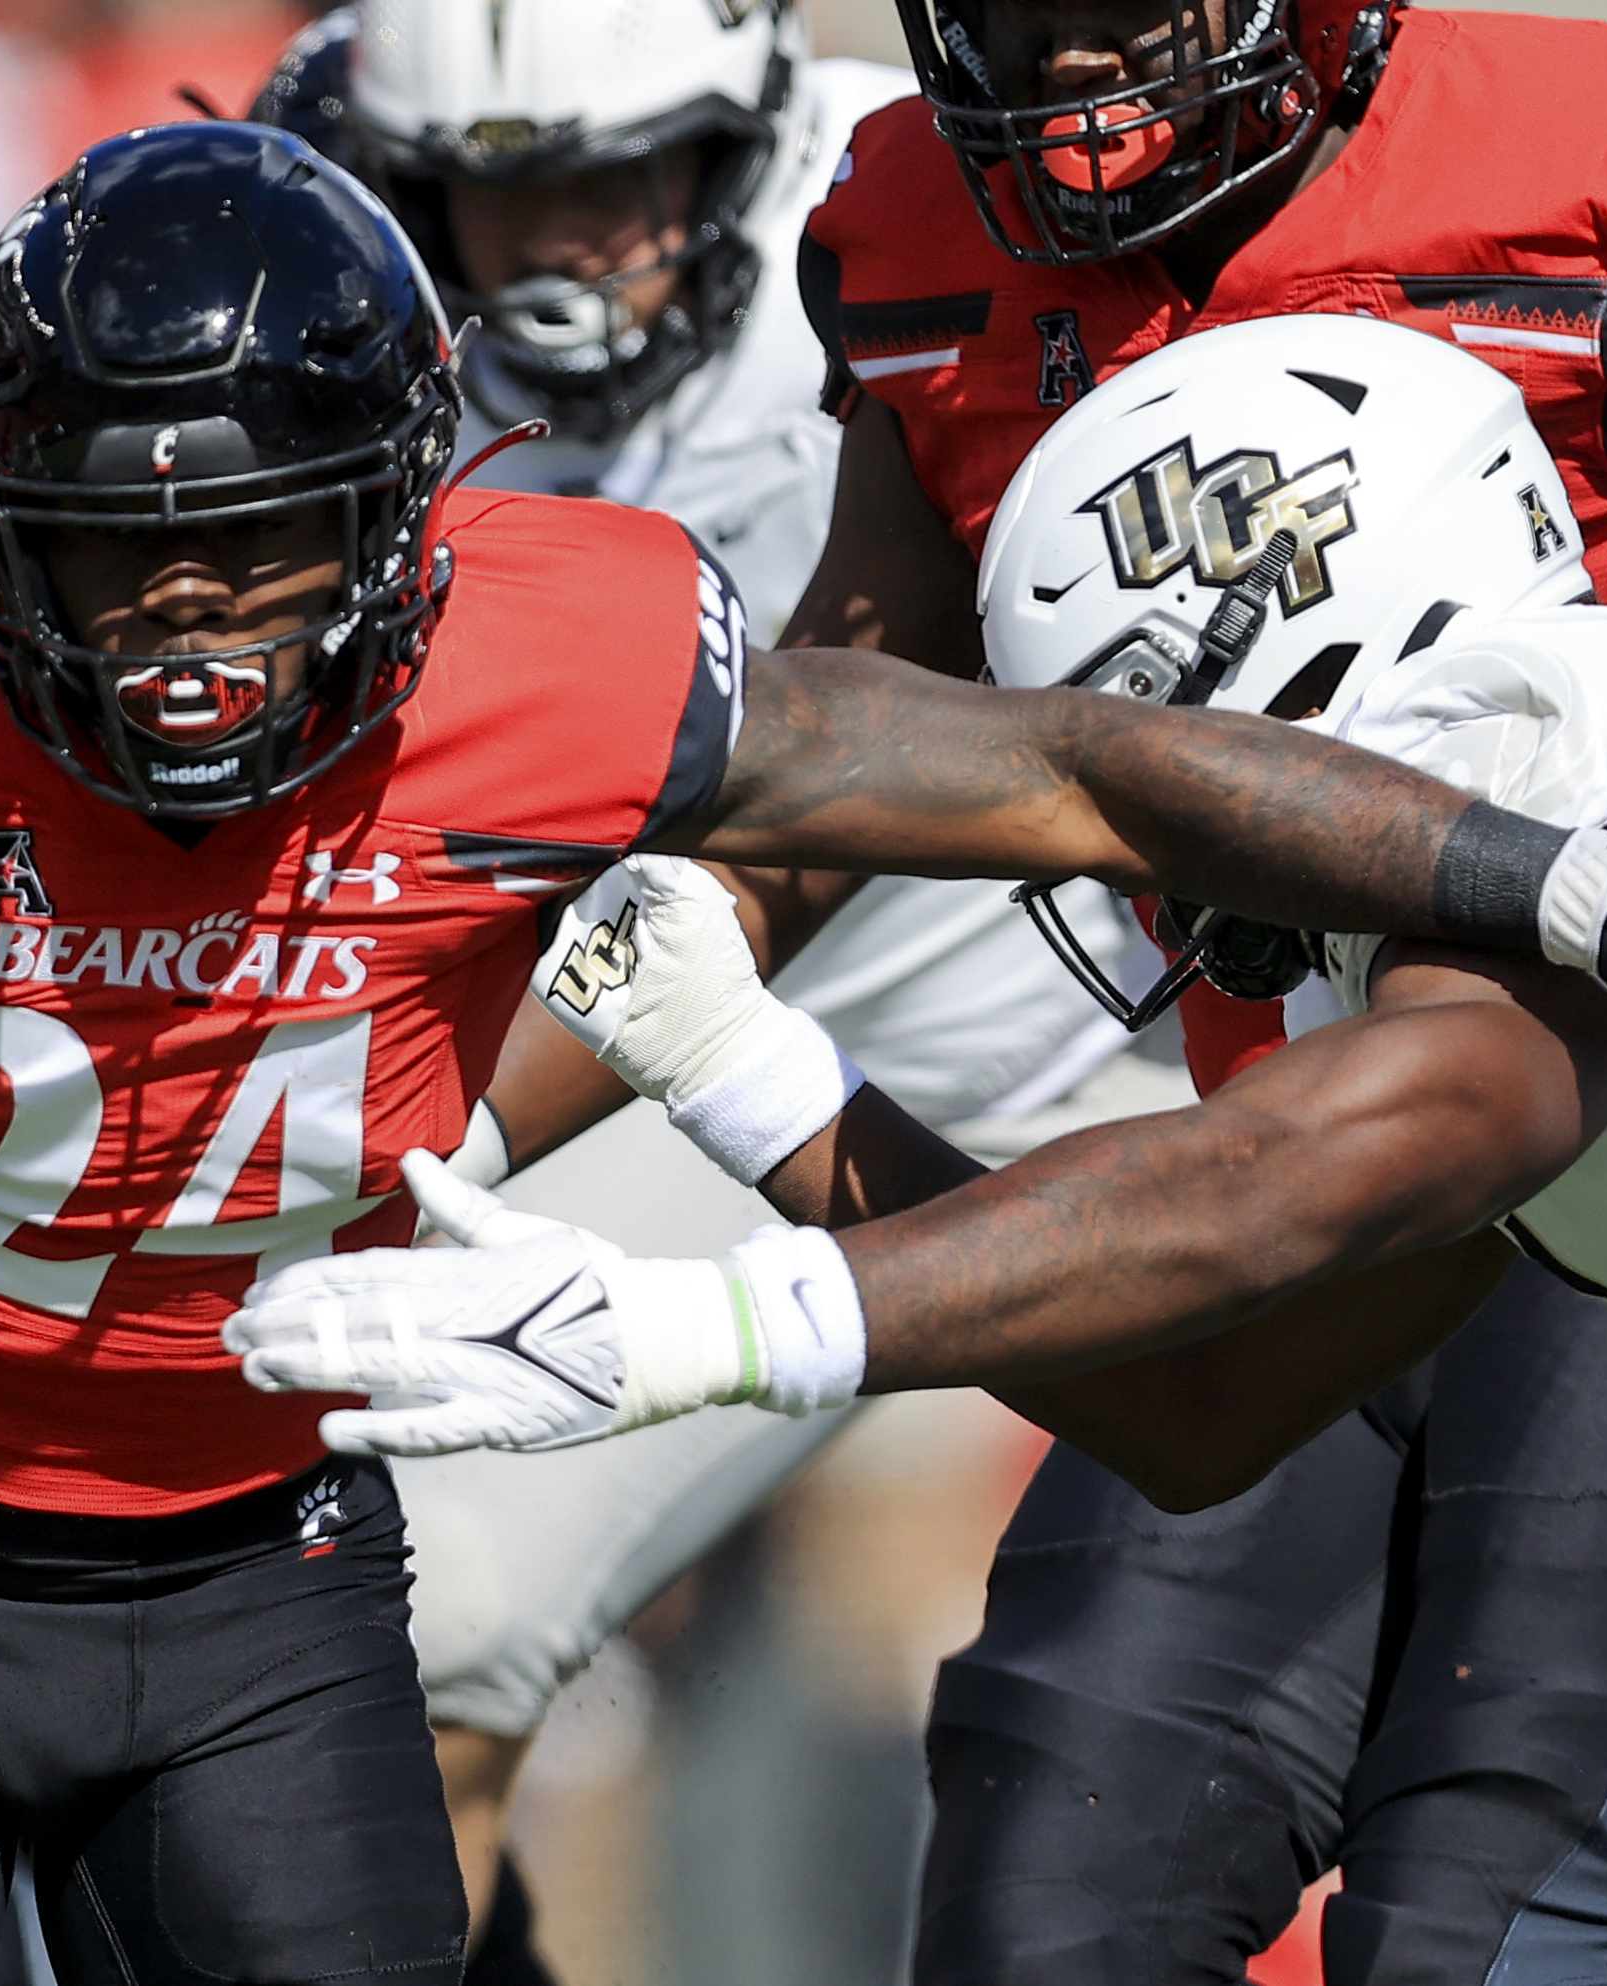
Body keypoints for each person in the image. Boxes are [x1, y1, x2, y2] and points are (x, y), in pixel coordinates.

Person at [0, 125, 1607, 1985]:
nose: (179, 623)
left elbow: (1073, 767)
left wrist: (1523, 871)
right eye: (104, 547)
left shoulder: (563, 667)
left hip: (260, 1559)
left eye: (254, 541)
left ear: (394, 526)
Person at [229, 312, 1607, 1986]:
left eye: (1178, 765)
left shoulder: (1588, 751)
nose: (1151, 852)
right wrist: (758, 1084)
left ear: (1318, 685)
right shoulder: (1440, 919)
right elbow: (1200, 1400)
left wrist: (683, 1333)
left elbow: (1294, 1174)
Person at [256, 6, 1165, 1958]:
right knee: (386, 1635)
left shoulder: (948, 203)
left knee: (1493, 1722)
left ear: (742, 132)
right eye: (498, 191)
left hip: (1162, 995)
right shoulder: (362, 317)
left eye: (617, 171)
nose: (564, 238)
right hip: (722, 1020)